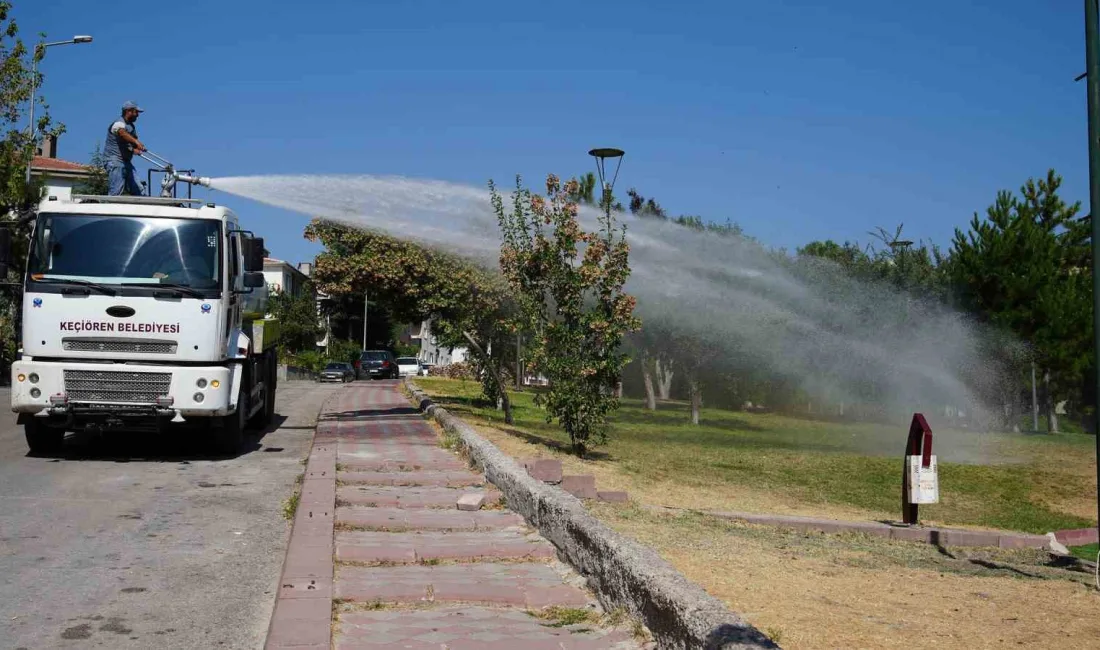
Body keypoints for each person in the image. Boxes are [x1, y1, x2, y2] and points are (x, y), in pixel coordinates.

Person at [104, 101, 146, 195]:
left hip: (126, 162)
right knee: (116, 191)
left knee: (139, 190)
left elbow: (127, 144)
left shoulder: (131, 127)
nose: (137, 115)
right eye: (136, 112)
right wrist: (136, 142)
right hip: (115, 161)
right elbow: (122, 133)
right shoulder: (118, 123)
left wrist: (135, 149)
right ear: (129, 111)